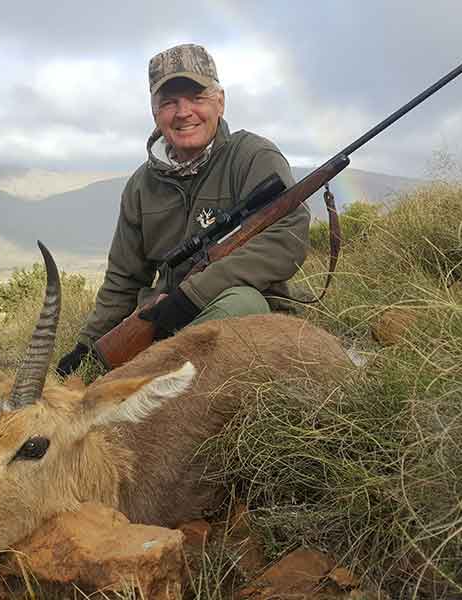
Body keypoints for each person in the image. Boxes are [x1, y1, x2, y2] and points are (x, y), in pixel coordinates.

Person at [56, 43, 309, 377]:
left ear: (220, 102)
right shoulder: (139, 186)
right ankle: (149, 380)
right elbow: (124, 279)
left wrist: (192, 296)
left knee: (241, 304)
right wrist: (86, 347)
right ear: (155, 113)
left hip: (239, 315)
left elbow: (288, 237)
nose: (183, 112)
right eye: (169, 102)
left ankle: (145, 382)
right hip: (162, 322)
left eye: (197, 98)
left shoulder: (253, 156)